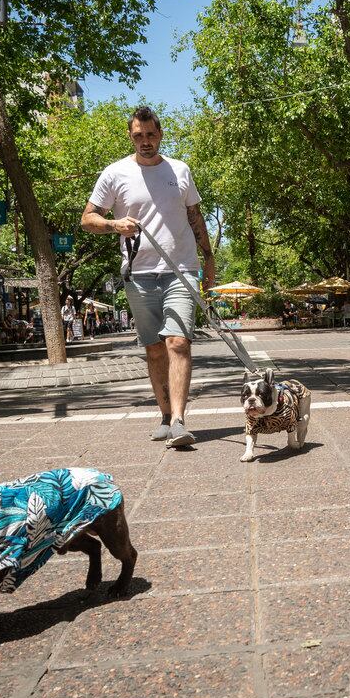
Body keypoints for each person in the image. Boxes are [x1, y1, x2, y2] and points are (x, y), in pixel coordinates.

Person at [81, 105, 214, 448]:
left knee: (178, 342)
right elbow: (88, 218)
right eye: (138, 135)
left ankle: (181, 421)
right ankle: (166, 415)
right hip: (138, 272)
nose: (145, 141)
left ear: (160, 135)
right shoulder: (114, 173)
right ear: (131, 136)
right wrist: (114, 224)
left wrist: (209, 259)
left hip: (180, 268)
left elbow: (195, 216)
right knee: (154, 349)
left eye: (151, 134)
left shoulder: (179, 170)